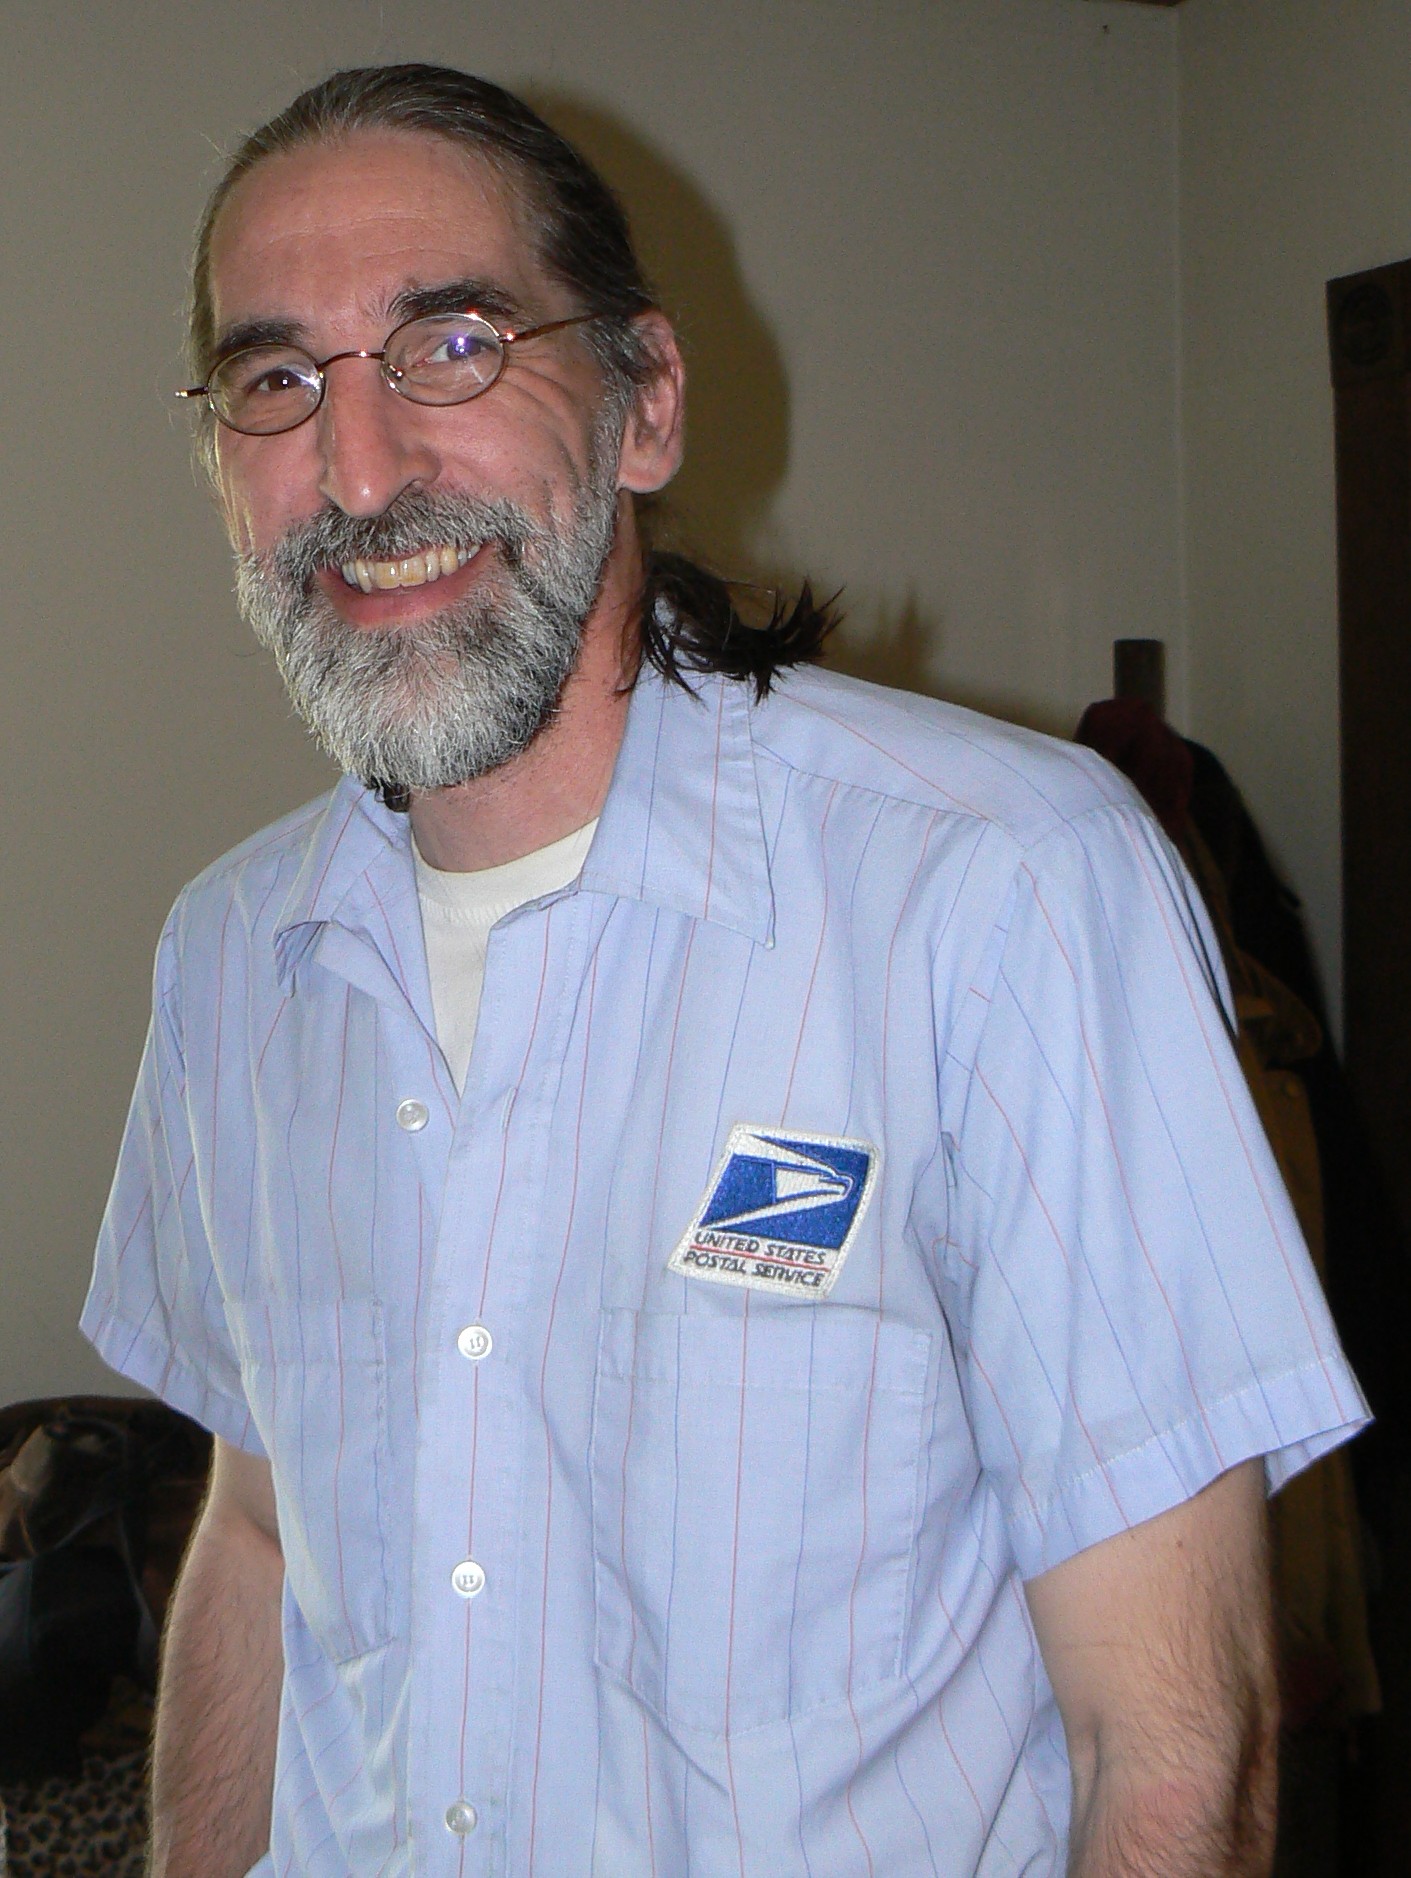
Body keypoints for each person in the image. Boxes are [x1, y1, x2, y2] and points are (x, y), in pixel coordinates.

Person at [83, 63, 1366, 1878]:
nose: (358, 471)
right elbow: (260, 1536)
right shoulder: (231, 960)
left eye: (453, 345)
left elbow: (1172, 1741)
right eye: (277, 381)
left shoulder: (1003, 887)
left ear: (647, 404)